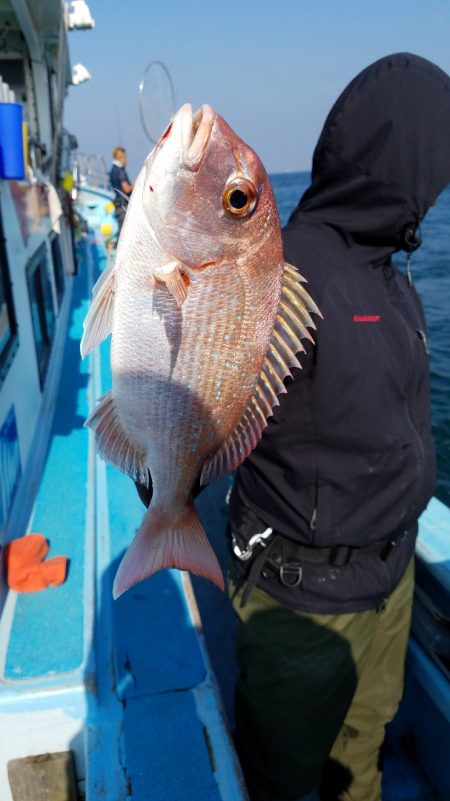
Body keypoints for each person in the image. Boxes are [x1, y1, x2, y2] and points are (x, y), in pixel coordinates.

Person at [227, 53, 450, 801]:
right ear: (405, 159)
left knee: (365, 750)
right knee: (284, 775)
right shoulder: (282, 274)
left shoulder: (390, 266)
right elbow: (205, 404)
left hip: (391, 578)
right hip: (303, 599)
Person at [109, 146, 134, 233]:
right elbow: (126, 189)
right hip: (123, 207)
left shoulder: (113, 170)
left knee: (122, 232)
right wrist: (137, 184)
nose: (126, 160)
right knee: (126, 232)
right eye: (125, 157)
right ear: (121, 158)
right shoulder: (119, 171)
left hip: (118, 206)